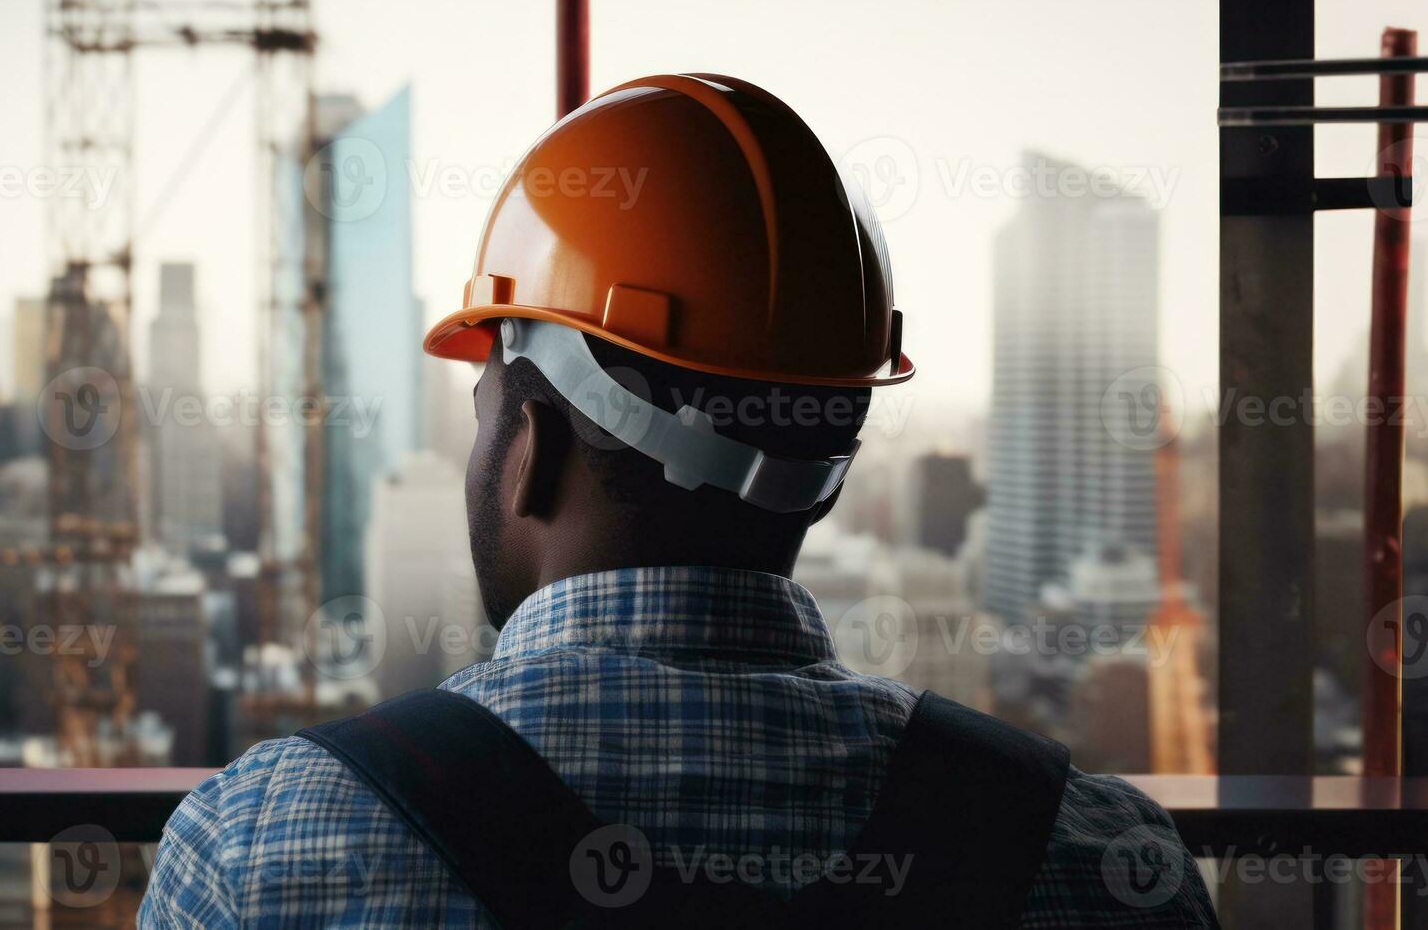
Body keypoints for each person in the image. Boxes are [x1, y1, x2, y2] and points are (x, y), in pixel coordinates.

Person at [141, 74, 1217, 928]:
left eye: (483, 411)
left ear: (533, 444)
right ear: (827, 461)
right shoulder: (1092, 852)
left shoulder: (262, 849)